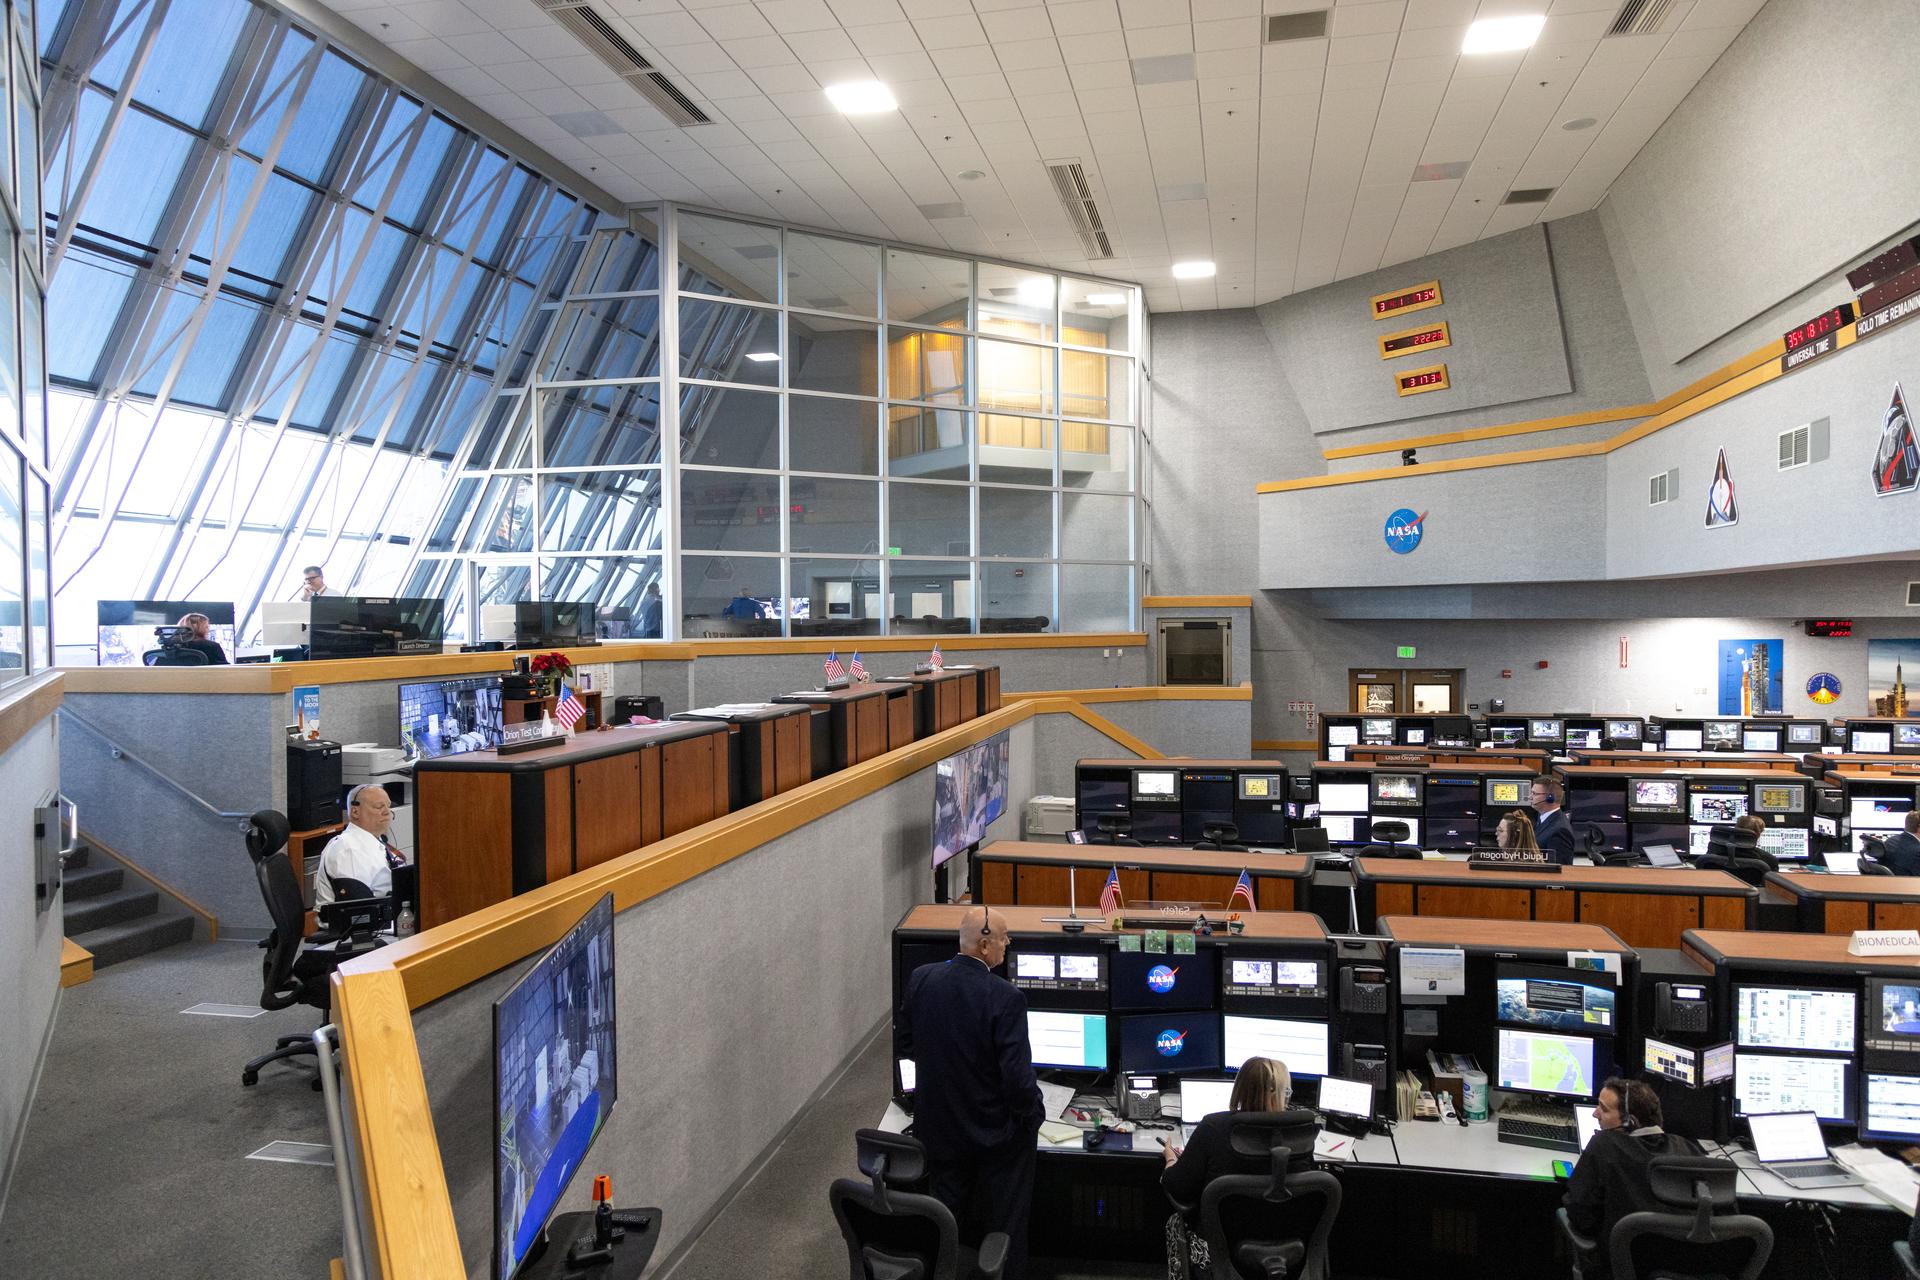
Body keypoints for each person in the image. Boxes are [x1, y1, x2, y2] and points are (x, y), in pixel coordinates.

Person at [895, 907, 1043, 1280]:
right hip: (995, 1137)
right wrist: (1034, 1116)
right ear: (984, 943)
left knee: (946, 1217)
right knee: (1006, 1224)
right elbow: (1017, 1081)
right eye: (1004, 938)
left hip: (938, 1126)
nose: (1008, 944)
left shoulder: (922, 978)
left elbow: (906, 1043)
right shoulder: (1007, 998)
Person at [1160, 1057, 1292, 1278]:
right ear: (1282, 1094)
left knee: (1175, 1222)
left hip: (1218, 1250)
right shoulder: (1299, 1133)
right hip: (1285, 1250)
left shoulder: (1213, 1126)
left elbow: (1177, 1186)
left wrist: (1171, 1160)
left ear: (1238, 1089)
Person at [1564, 1078, 1703, 1280]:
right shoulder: (1688, 1148)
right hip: (1685, 1269)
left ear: (1631, 1121)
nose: (1595, 1113)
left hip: (1619, 1269)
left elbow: (1581, 1215)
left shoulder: (1604, 1145)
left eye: (1603, 1109)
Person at [315, 784, 409, 907]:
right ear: (355, 812)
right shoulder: (348, 849)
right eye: (379, 807)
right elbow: (359, 908)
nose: (387, 812)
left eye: (388, 806)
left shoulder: (376, 841)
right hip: (356, 924)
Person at [1532, 777, 1576, 864]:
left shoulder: (1560, 831)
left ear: (1550, 798)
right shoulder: (1542, 817)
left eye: (1534, 794)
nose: (1530, 797)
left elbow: (1559, 868)